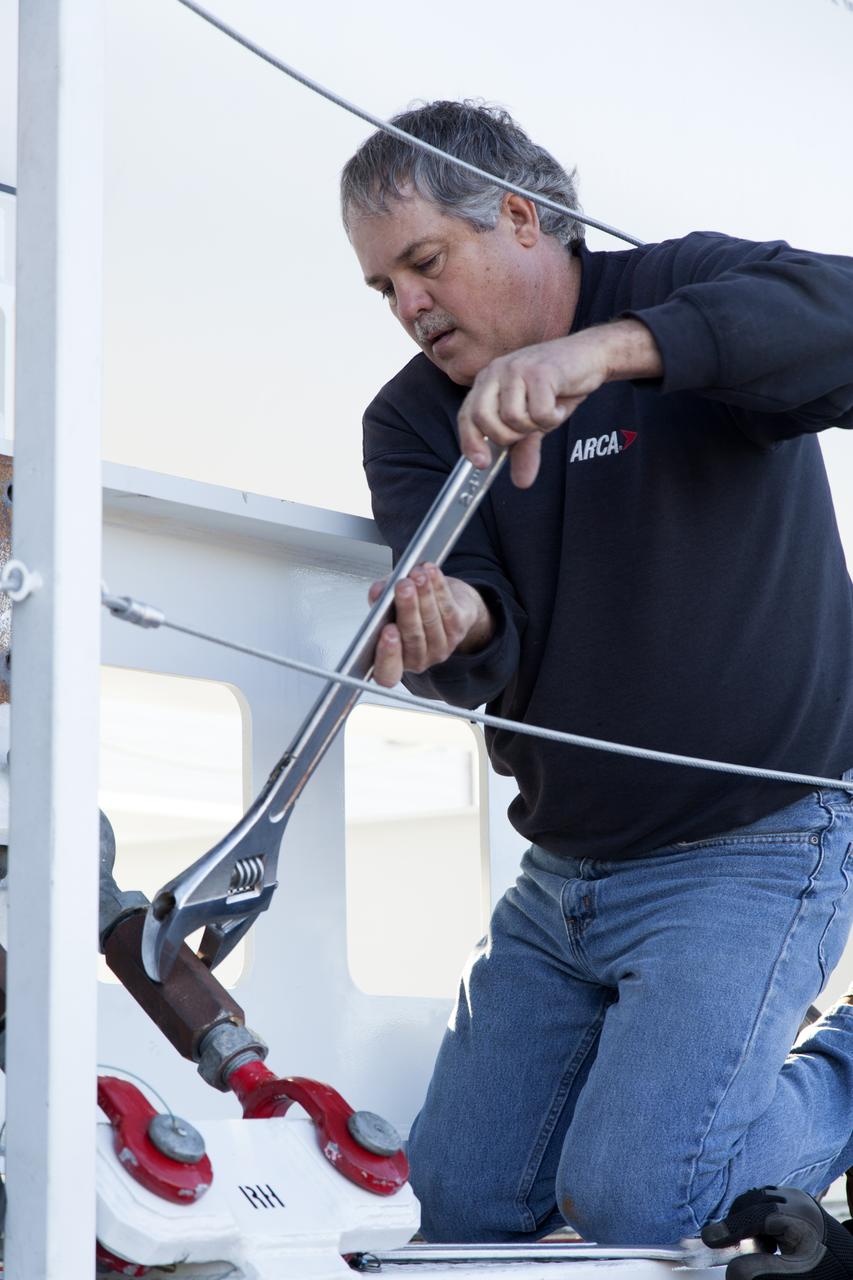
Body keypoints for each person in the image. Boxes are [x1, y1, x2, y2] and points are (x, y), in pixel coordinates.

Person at [339, 100, 853, 1248]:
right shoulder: (409, 420)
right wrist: (451, 621)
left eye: (424, 263)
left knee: (637, 1208)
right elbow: (482, 614)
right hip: (561, 874)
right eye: (383, 288)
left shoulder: (683, 291)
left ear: (521, 218)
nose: (409, 307)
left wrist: (606, 354)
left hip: (758, 841)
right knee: (448, 1211)